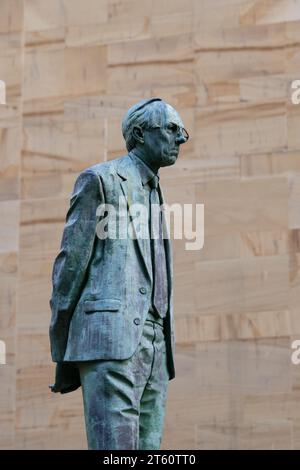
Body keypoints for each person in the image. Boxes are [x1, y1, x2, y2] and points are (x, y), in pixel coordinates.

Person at [49, 98, 188, 449]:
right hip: (110, 340)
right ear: (139, 134)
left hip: (156, 347)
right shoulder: (101, 180)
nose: (181, 138)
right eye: (171, 129)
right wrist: (62, 342)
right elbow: (71, 264)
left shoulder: (157, 193)